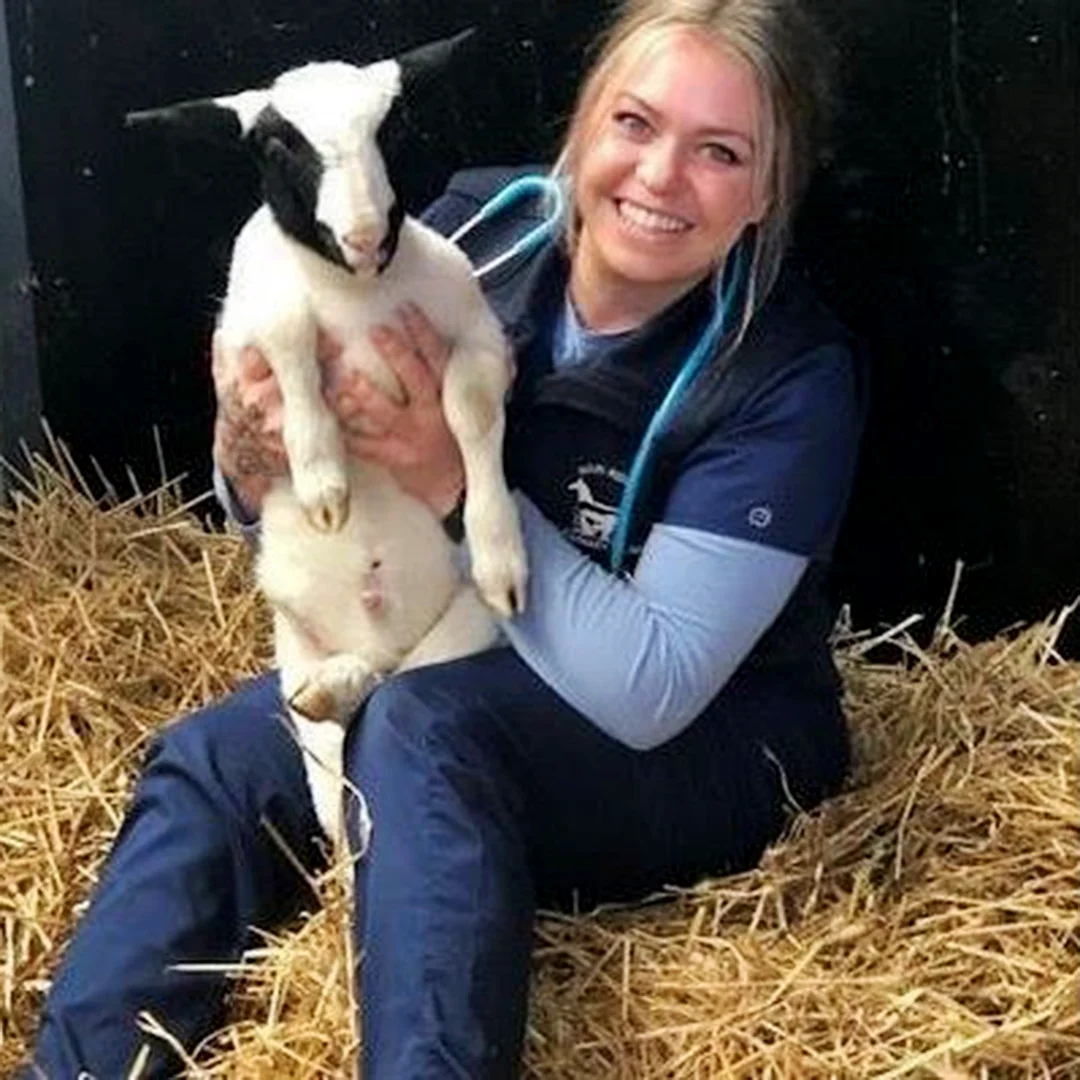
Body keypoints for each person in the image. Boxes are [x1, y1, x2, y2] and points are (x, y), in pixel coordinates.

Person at [22, 0, 866, 1076]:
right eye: (634, 124)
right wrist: (252, 451)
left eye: (720, 152)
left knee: (417, 734)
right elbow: (259, 499)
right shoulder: (466, 235)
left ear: (765, 192)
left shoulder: (783, 375)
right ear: (581, 125)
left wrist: (448, 482)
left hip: (708, 738)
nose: (659, 177)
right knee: (222, 757)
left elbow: (652, 685)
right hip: (459, 640)